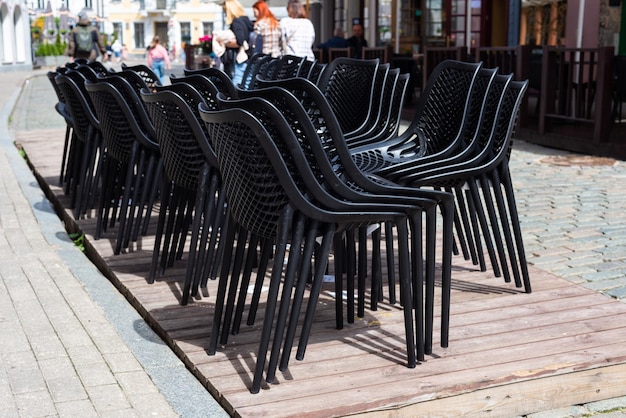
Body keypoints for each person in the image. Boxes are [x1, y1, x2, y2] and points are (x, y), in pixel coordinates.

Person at [221, 0, 254, 85]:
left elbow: (240, 41)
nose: (225, 14)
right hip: (247, 58)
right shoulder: (246, 20)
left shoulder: (236, 22)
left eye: (225, 11)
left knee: (236, 86)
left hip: (239, 60)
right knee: (246, 83)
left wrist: (224, 42)